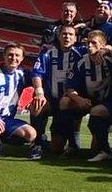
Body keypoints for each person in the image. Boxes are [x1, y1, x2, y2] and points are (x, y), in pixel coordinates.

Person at [31, 25, 86, 158]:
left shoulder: (82, 53)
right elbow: (37, 73)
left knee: (56, 148)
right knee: (36, 105)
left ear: (75, 38)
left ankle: (72, 144)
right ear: (58, 36)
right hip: (50, 99)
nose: (67, 37)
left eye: (70, 34)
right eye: (64, 34)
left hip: (67, 103)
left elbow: (103, 47)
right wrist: (39, 92)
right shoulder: (47, 53)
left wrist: (105, 50)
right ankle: (37, 143)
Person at [62, 30, 112, 162]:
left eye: (94, 43)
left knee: (94, 149)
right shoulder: (81, 62)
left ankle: (105, 149)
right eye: (88, 43)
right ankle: (73, 144)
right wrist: (78, 99)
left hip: (108, 101)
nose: (89, 46)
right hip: (88, 100)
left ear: (102, 46)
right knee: (64, 102)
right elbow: (69, 88)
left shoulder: (111, 62)